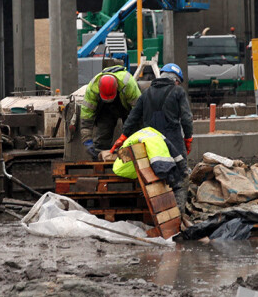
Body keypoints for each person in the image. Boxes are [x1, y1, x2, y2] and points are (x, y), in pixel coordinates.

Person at [111, 63, 194, 207]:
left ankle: (153, 210)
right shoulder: (178, 92)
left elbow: (132, 118)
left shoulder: (146, 94)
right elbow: (187, 118)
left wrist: (122, 138)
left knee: (153, 175)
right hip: (173, 143)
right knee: (180, 178)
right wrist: (188, 138)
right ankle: (177, 215)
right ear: (175, 80)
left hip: (152, 146)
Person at [80, 65, 141, 159]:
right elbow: (86, 118)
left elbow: (138, 111)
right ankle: (100, 159)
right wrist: (87, 140)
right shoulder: (92, 89)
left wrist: (127, 134)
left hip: (127, 109)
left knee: (132, 137)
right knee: (102, 136)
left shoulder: (128, 85)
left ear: (116, 86)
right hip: (106, 111)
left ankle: (131, 161)